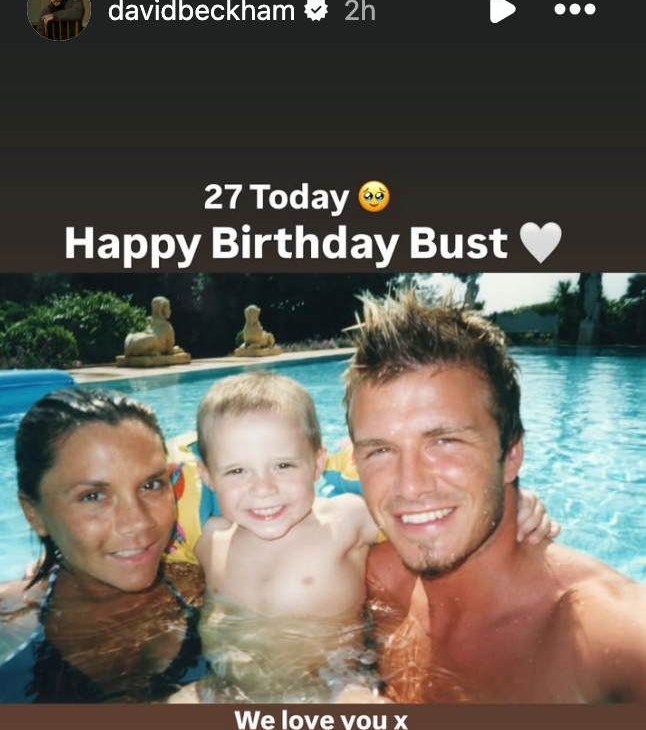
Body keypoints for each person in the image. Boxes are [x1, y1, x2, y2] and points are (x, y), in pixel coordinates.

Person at [344, 291, 646, 703]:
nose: (409, 486)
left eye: (445, 441)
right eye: (380, 450)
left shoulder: (604, 634)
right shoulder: (373, 577)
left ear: (511, 455)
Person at [187, 371, 556, 703]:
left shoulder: (345, 519)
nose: (263, 489)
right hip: (224, 689)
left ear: (317, 464)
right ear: (207, 475)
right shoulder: (211, 538)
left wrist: (513, 503)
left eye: (283, 465)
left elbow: (425, 519)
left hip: (333, 687)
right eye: (237, 471)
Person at [0, 388, 208, 703]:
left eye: (151, 485)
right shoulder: (10, 622)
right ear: (34, 513)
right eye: (93, 496)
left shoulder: (205, 588)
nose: (138, 522)